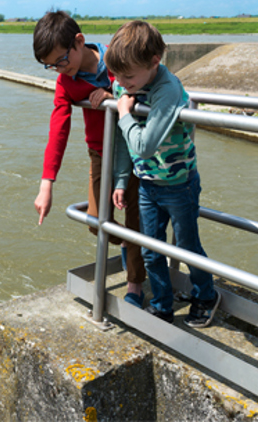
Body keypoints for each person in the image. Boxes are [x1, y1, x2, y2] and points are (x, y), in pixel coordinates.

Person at [105, 20, 221, 327]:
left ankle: (206, 295)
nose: (121, 82)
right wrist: (120, 179)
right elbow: (121, 140)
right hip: (146, 183)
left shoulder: (167, 89)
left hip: (178, 184)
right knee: (150, 248)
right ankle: (161, 304)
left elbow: (142, 145)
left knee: (186, 245)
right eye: (117, 75)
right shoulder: (124, 84)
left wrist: (125, 114)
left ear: (155, 62)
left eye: (128, 76)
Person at [32, 11, 146, 307]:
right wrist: (47, 184)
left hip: (134, 148)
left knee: (134, 215)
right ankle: (129, 247)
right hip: (99, 152)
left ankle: (135, 283)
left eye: (60, 60)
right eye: (50, 66)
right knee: (97, 221)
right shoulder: (65, 82)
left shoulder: (117, 60)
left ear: (79, 42)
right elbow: (58, 129)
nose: (58, 69)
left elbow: (143, 87)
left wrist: (110, 93)